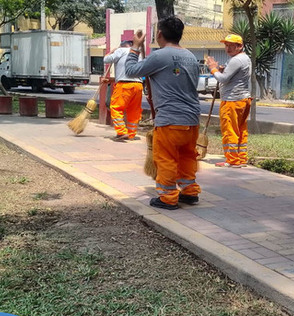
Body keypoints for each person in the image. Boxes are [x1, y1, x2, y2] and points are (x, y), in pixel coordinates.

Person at [124, 17, 202, 210]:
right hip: (192, 120)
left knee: (166, 158)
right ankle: (190, 192)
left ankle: (168, 197)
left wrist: (135, 47)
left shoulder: (159, 56)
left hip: (170, 120)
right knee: (187, 156)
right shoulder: (191, 57)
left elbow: (130, 70)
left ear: (159, 34)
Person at [206, 34, 251, 168]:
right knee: (241, 129)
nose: (228, 48)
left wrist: (213, 68)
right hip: (243, 99)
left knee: (230, 130)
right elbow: (232, 74)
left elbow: (223, 79)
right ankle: (241, 158)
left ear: (240, 46)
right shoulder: (245, 58)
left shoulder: (236, 60)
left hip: (232, 100)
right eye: (226, 45)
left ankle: (232, 160)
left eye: (231, 46)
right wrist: (222, 69)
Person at [103, 39, 143, 141]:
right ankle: (131, 134)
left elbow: (106, 60)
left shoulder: (121, 50)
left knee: (116, 108)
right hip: (138, 85)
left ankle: (121, 132)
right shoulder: (138, 54)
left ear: (123, 46)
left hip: (124, 85)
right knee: (134, 111)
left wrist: (112, 52)